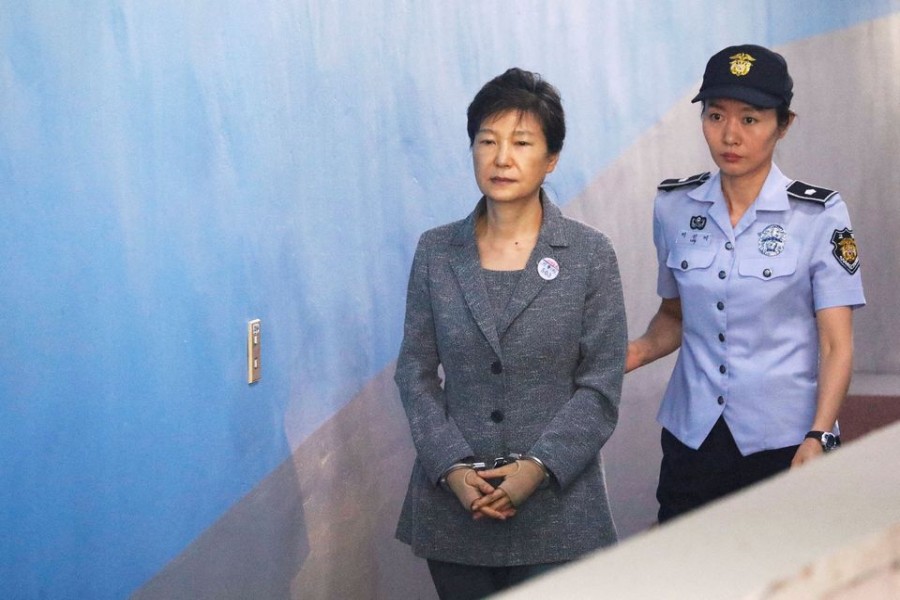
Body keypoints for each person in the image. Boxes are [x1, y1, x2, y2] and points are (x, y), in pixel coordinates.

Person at [394, 67, 626, 599]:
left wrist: (539, 467)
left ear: (550, 160)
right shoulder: (436, 252)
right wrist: (450, 466)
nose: (502, 158)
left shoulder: (589, 256)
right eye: (488, 141)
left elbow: (600, 385)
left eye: (521, 143)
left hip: (559, 512)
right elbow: (415, 370)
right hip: (457, 508)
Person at [626, 44, 866, 523]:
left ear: (784, 124)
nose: (729, 135)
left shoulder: (818, 215)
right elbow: (674, 317)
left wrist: (819, 436)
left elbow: (837, 346)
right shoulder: (674, 207)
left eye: (750, 119)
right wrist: (624, 356)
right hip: (691, 437)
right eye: (716, 116)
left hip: (784, 441)